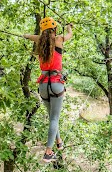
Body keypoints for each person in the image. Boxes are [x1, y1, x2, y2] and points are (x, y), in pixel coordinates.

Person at [23, 17, 74, 162]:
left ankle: (58, 142)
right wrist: (69, 27)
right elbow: (70, 35)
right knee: (54, 118)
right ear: (55, 30)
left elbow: (30, 36)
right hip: (57, 83)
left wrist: (25, 36)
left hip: (43, 84)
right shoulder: (58, 39)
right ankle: (48, 152)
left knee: (52, 116)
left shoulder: (40, 41)